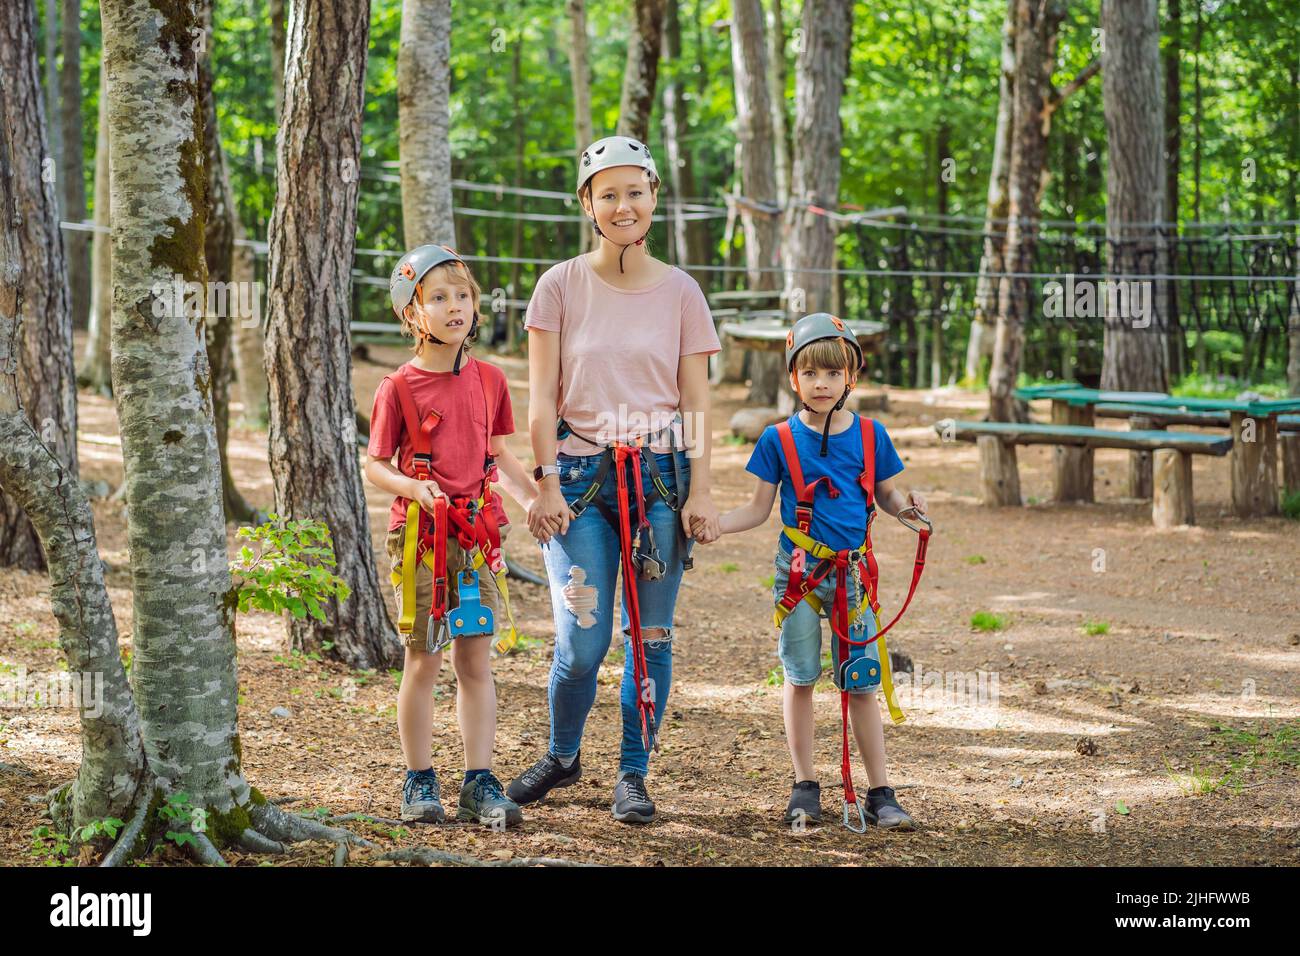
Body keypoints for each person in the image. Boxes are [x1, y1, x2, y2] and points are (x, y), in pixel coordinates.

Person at [507, 135, 721, 824]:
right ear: (587, 204)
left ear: (654, 195)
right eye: (608, 194)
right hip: (577, 480)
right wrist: (544, 482)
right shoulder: (559, 286)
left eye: (635, 191)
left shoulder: (682, 292)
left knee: (650, 638)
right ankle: (563, 755)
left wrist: (701, 488)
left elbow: (696, 402)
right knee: (583, 642)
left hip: (658, 479)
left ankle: (633, 773)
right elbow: (541, 396)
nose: (623, 205)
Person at [714, 312, 930, 830]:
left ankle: (880, 792)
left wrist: (907, 510)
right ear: (794, 378)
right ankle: (805, 785)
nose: (822, 383)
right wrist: (713, 525)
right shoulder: (777, 439)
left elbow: (886, 494)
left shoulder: (873, 435)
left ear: (850, 377)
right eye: (810, 373)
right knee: (801, 676)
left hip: (853, 575)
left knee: (861, 681)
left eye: (833, 373)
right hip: (800, 573)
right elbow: (757, 509)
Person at [365, 243, 537, 828]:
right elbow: (376, 465)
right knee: (423, 659)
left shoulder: (490, 380)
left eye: (463, 295)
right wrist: (413, 488)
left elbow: (499, 455)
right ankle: (418, 778)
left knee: (475, 660)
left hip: (477, 537)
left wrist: (537, 500)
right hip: (420, 540)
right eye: (438, 297)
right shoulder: (398, 388)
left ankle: (479, 779)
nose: (455, 306)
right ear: (412, 312)